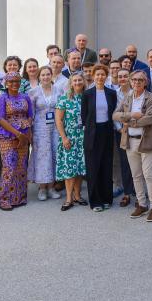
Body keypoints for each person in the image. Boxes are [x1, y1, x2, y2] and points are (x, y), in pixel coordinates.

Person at [114, 70, 152, 221]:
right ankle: (142, 204)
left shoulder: (151, 97)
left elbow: (149, 119)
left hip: (146, 140)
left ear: (145, 82)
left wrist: (127, 121)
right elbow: (115, 115)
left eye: (140, 80)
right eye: (134, 80)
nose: (137, 82)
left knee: (149, 175)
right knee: (136, 175)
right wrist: (132, 115)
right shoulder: (128, 97)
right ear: (130, 81)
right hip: (130, 140)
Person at [0, 72, 32, 211]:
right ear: (6, 83)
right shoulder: (2, 98)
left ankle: (19, 197)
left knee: (21, 166)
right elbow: (0, 118)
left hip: (24, 135)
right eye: (11, 81)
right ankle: (5, 199)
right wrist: (17, 134)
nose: (14, 84)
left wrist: (26, 133)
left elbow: (30, 116)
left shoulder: (26, 97)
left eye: (17, 81)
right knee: (9, 166)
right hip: (7, 136)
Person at [82, 64, 118, 212]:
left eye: (103, 74)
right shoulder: (87, 94)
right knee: (93, 167)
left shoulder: (111, 93)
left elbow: (114, 112)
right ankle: (96, 201)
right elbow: (84, 116)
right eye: (97, 74)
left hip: (107, 131)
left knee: (106, 165)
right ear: (93, 76)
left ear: (106, 76)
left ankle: (106, 198)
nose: (100, 77)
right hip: (92, 133)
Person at [55, 73, 88, 211]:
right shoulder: (64, 98)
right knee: (69, 169)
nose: (77, 82)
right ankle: (68, 198)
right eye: (75, 80)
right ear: (71, 83)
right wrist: (64, 137)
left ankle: (77, 195)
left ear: (84, 82)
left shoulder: (87, 97)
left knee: (80, 168)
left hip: (83, 138)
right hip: (69, 138)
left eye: (80, 80)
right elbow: (59, 120)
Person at [28, 66, 61, 201]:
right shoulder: (33, 92)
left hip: (56, 128)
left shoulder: (59, 91)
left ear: (51, 75)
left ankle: (52, 187)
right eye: (43, 75)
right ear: (39, 77)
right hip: (40, 129)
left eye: (48, 74)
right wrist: (30, 132)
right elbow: (30, 114)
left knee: (54, 155)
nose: (46, 77)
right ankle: (42, 188)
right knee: (42, 158)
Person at [112, 68, 136, 206]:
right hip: (121, 132)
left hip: (137, 130)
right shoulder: (114, 94)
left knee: (138, 162)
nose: (122, 79)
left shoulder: (136, 93)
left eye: (125, 76)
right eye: (120, 76)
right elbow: (114, 113)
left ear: (130, 78)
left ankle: (137, 191)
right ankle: (127, 192)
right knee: (125, 162)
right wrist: (120, 128)